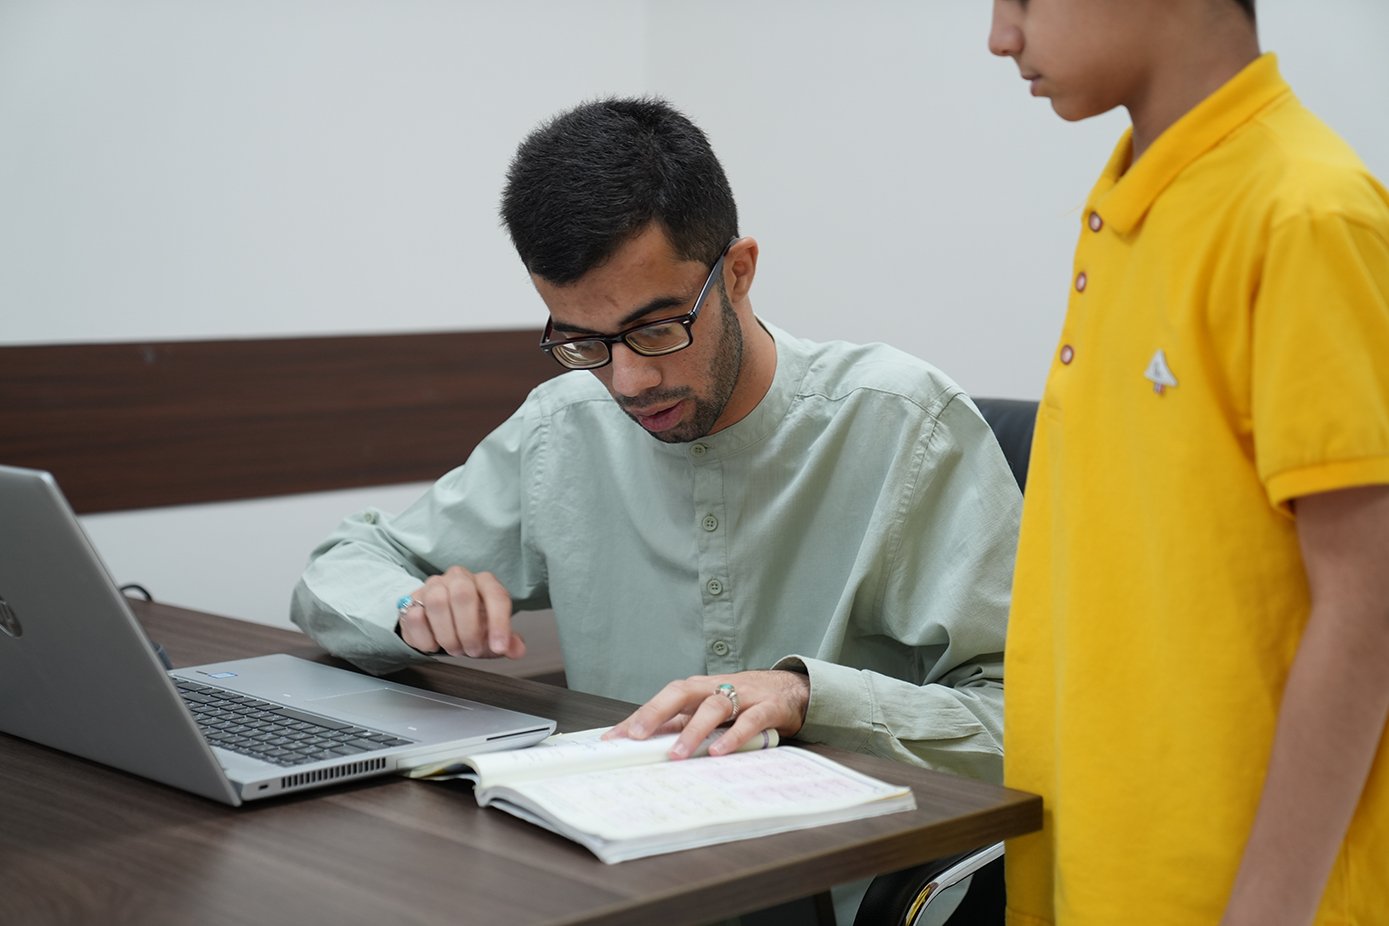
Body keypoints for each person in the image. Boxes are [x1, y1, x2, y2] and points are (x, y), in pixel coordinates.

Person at [291, 95, 1019, 870]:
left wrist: (809, 698)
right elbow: (340, 567)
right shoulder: (563, 428)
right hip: (614, 870)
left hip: (838, 878)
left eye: (656, 329)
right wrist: (412, 610)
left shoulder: (904, 423)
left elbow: (1025, 717)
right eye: (582, 341)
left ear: (738, 272)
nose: (629, 382)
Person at [988, 1, 1389, 923]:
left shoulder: (1307, 215)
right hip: (1109, 860)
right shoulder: (1135, 201)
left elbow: (1368, 605)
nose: (1000, 36)